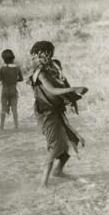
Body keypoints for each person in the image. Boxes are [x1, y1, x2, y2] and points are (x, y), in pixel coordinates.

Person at [28, 41, 87, 189]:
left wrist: (73, 101)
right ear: (36, 55)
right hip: (46, 113)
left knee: (67, 143)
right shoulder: (39, 73)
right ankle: (43, 184)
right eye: (43, 55)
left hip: (57, 110)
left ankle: (58, 171)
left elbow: (64, 83)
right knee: (55, 147)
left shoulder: (54, 66)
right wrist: (74, 90)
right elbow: (52, 90)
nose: (47, 58)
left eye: (49, 54)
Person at [0, 49, 23, 130]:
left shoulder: (2, 68)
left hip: (4, 90)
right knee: (14, 109)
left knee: (3, 109)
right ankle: (16, 126)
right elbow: (21, 79)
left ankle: (1, 127)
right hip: (13, 90)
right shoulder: (17, 68)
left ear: (3, 59)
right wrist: (14, 80)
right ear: (13, 58)